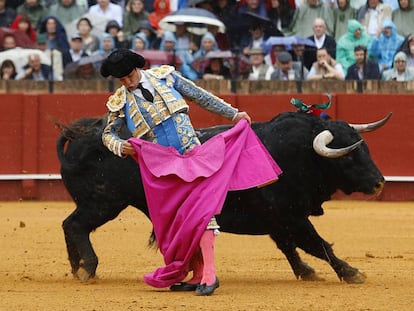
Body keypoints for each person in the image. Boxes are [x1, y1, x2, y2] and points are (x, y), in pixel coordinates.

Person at [99, 48, 281, 295]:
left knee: (202, 212)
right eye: (121, 80)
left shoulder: (166, 77)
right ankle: (197, 274)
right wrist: (121, 146)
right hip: (161, 169)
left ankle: (210, 274)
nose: (127, 83)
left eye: (129, 77)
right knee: (180, 220)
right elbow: (107, 134)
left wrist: (233, 113)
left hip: (191, 154)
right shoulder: (119, 101)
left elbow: (200, 96)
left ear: (137, 69)